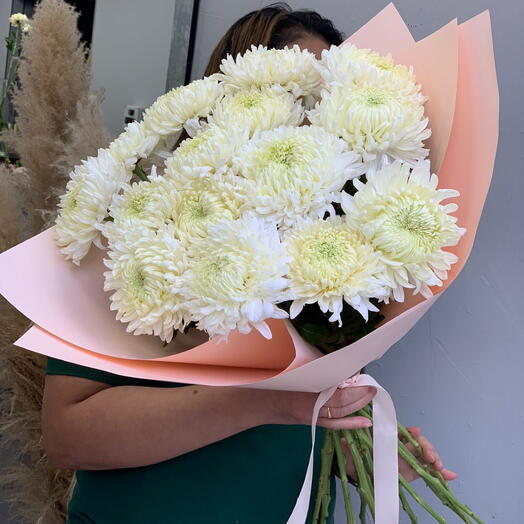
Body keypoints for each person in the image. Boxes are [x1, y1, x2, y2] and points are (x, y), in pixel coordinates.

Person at [42, 5, 456, 523]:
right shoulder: (136, 224)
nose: (308, 112)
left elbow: (320, 400)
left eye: (323, 95)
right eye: (289, 91)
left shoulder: (344, 242)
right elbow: (69, 435)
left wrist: (372, 449)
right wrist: (267, 402)